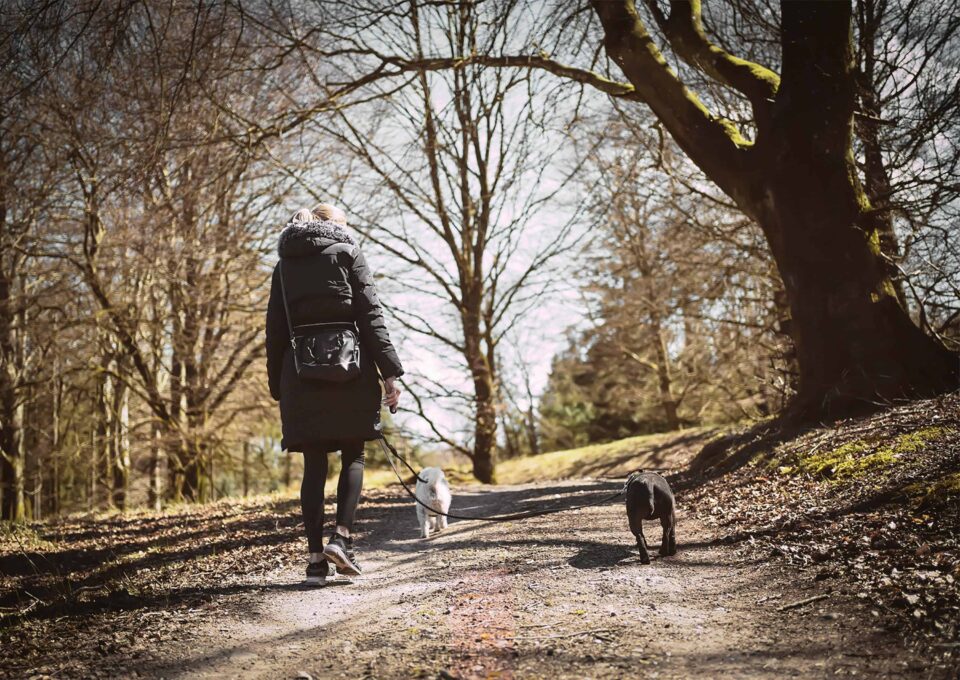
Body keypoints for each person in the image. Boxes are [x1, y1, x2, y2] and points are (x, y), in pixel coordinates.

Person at [265, 204, 403, 585]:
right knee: (353, 453)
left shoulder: (283, 266)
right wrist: (390, 372)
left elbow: (274, 330)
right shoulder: (349, 254)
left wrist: (278, 386)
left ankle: (314, 562)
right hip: (350, 370)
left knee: (314, 464)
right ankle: (341, 538)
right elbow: (371, 316)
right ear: (336, 227)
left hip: (300, 374)